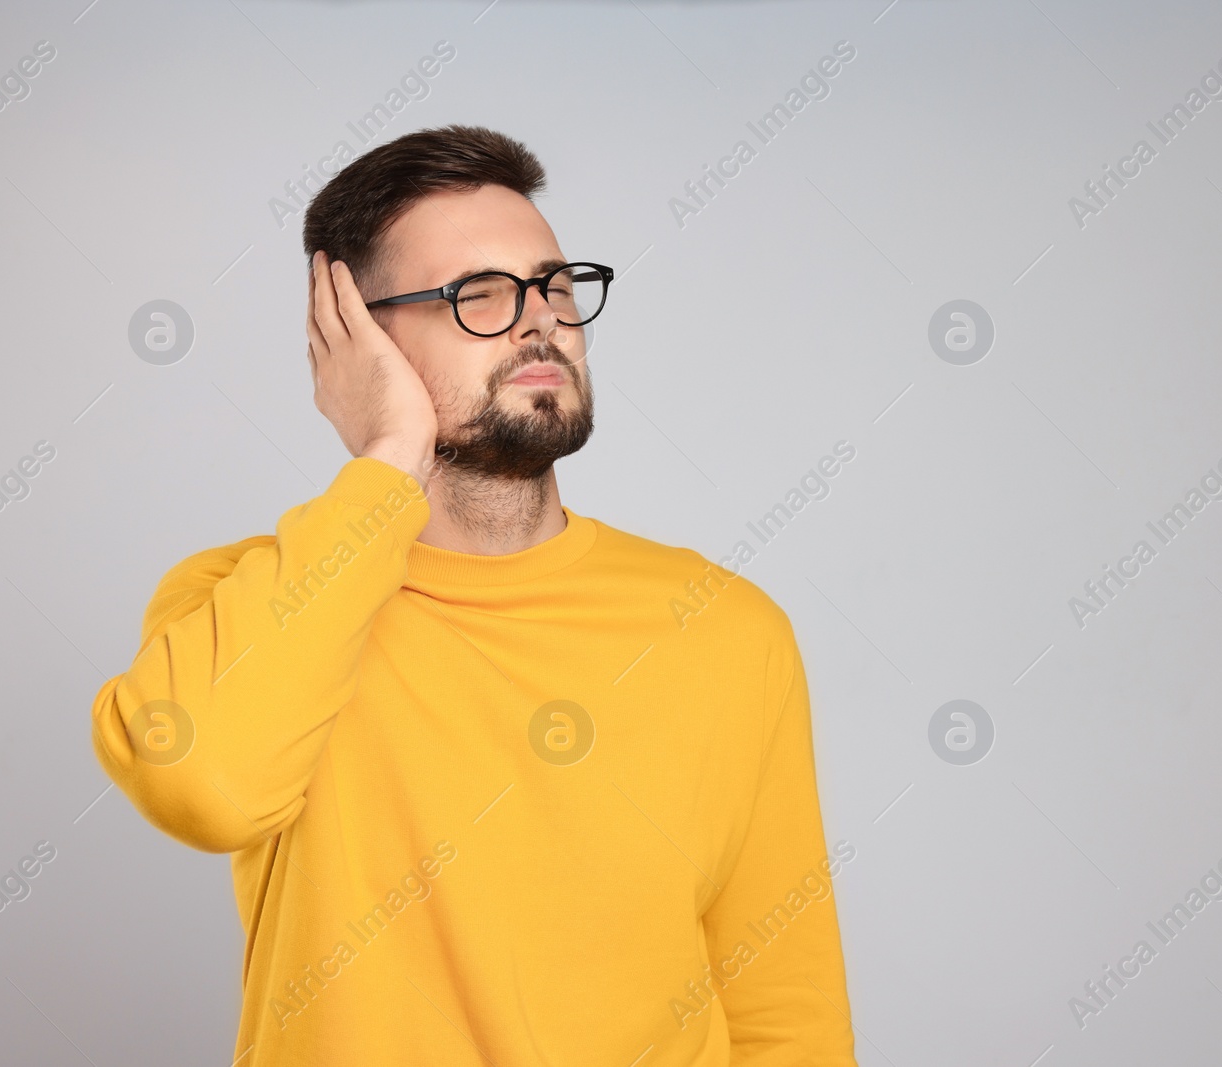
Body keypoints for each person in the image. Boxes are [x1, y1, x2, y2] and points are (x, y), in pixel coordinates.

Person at [89, 123, 859, 1066]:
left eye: (554, 286)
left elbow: (788, 1013)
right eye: (476, 296)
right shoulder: (247, 600)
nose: (539, 319)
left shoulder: (725, 626)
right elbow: (201, 785)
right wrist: (387, 459)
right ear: (354, 339)